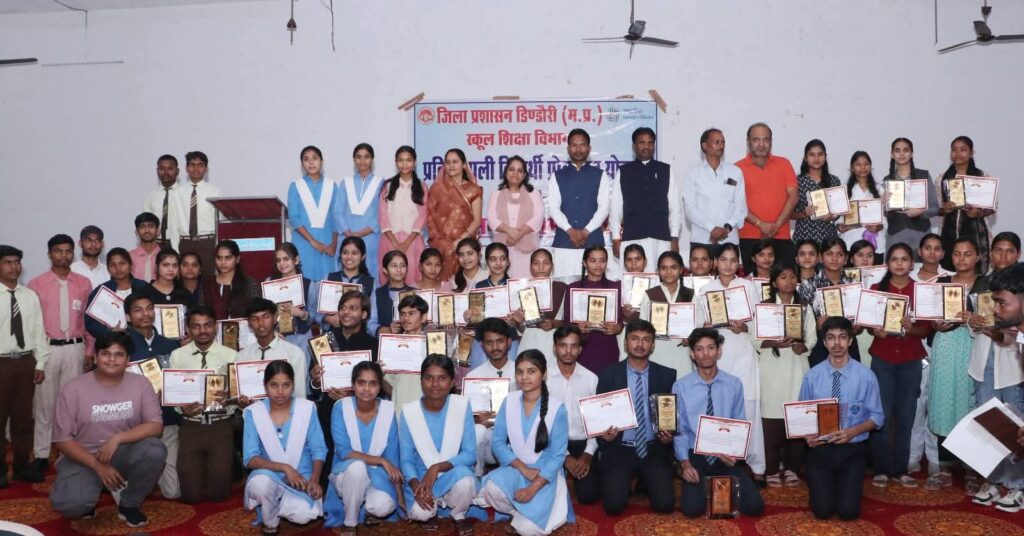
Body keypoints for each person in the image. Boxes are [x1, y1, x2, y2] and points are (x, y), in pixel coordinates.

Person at [50, 331, 165, 527]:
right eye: (105, 354)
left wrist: (117, 439)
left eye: (119, 354)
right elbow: (62, 440)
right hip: (83, 457)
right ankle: (88, 493)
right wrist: (97, 466)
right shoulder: (73, 388)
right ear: (96, 357)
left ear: (128, 360)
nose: (112, 360)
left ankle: (129, 504)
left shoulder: (140, 383)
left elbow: (155, 425)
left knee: (155, 450)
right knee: (71, 506)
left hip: (123, 453)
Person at [475, 350, 571, 536]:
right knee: (491, 489)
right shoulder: (509, 401)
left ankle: (524, 516)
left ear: (544, 374)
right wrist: (523, 468)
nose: (524, 377)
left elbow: (558, 455)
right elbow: (498, 442)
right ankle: (515, 512)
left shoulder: (557, 409)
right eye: (519, 372)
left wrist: (533, 488)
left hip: (544, 475)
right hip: (517, 468)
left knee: (527, 530)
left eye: (531, 371)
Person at [674, 327, 764, 517]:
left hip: (725, 455)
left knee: (755, 507)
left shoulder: (734, 384)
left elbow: (739, 422)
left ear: (719, 351)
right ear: (692, 354)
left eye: (711, 348)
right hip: (696, 454)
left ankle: (718, 485)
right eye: (699, 349)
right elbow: (680, 430)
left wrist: (735, 455)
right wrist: (685, 464)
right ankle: (705, 484)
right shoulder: (681, 386)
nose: (706, 354)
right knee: (692, 509)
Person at [799, 317, 884, 520]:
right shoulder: (812, 376)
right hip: (821, 449)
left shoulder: (866, 376)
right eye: (831, 338)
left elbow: (877, 417)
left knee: (848, 512)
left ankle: (845, 484)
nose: (837, 343)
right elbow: (801, 415)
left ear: (851, 341)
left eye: (842, 337)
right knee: (822, 510)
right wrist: (807, 437)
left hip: (853, 450)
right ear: (824, 342)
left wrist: (853, 432)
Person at [696, 243, 766, 479]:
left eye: (733, 260)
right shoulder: (706, 290)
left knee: (749, 409)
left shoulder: (747, 287)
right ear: (715, 262)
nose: (728, 265)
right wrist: (706, 327)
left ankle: (757, 465)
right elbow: (697, 328)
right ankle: (719, 461)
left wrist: (744, 327)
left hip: (743, 354)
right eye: (723, 260)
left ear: (739, 263)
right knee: (719, 408)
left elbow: (759, 323)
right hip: (717, 358)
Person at [27, 234, 93, 479]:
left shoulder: (83, 283)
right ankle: (42, 455)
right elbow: (32, 324)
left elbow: (88, 320)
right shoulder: (36, 284)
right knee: (44, 405)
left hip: (75, 348)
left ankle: (69, 453)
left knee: (71, 405)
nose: (63, 255)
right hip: (47, 349)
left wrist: (89, 350)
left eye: (67, 251)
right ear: (49, 254)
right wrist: (37, 357)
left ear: (73, 253)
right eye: (58, 251)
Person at [593, 320, 675, 514]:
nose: (640, 344)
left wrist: (669, 437)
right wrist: (604, 436)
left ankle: (644, 481)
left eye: (646, 339)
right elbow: (599, 416)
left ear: (653, 345)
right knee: (613, 507)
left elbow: (669, 416)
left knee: (664, 505)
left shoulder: (667, 375)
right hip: (620, 448)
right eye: (635, 339)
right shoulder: (608, 374)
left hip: (653, 447)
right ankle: (635, 481)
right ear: (625, 343)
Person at [867, 243, 932, 488]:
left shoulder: (920, 291)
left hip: (910, 360)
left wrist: (911, 328)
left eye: (904, 259)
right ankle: (881, 469)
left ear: (911, 263)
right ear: (888, 263)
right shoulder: (877, 290)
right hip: (882, 358)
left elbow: (926, 329)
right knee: (881, 415)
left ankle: (900, 469)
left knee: (906, 416)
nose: (899, 263)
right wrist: (876, 330)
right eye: (894, 259)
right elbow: (869, 325)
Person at [968, 233, 1024, 507]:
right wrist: (973, 322)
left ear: (1018, 254)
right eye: (998, 250)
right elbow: (973, 323)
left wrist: (1000, 332)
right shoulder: (982, 283)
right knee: (989, 425)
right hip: (984, 363)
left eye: (1009, 251)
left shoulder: (1018, 288)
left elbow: (1013, 334)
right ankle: (991, 480)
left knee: (1015, 427)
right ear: (990, 253)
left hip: (1012, 368)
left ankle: (1016, 485)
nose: (1003, 256)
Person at [398, 355, 481, 535]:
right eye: (429, 378)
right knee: (421, 514)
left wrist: (436, 468)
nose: (435, 384)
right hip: (421, 480)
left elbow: (469, 454)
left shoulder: (461, 405)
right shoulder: (409, 412)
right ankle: (435, 508)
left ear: (452, 382)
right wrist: (416, 486)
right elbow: (406, 459)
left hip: (452, 475)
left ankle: (458, 513)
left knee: (466, 483)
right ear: (421, 381)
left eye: (442, 378)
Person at [924, 237, 982, 490]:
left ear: (978, 256)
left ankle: (971, 470)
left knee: (969, 403)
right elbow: (929, 318)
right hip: (946, 346)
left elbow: (995, 318)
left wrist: (974, 318)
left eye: (967, 254)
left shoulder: (986, 284)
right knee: (944, 402)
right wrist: (935, 323)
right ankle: (945, 468)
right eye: (957, 254)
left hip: (974, 346)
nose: (961, 259)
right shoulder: (941, 283)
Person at [243, 360, 327, 534]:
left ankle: (278, 502)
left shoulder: (306, 408)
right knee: (259, 485)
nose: (280, 392)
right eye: (274, 385)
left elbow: (318, 449)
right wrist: (285, 468)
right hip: (269, 475)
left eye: (286, 385)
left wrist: (314, 479)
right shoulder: (254, 412)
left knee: (303, 515)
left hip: (301, 477)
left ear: (293, 385)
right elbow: (250, 459)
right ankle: (270, 520)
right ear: (265, 386)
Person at [169, 304, 238, 503]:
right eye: (196, 326)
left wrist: (228, 398)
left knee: (218, 493)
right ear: (188, 329)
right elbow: (173, 393)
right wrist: (182, 408)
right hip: (191, 424)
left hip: (221, 423)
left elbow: (236, 394)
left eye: (207, 325)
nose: (202, 331)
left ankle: (231, 464)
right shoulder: (177, 356)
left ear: (215, 326)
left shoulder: (231, 355)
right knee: (191, 494)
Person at [753, 263, 815, 487]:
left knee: (796, 419)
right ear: (773, 282)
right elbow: (754, 339)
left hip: (797, 366)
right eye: (783, 277)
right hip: (771, 368)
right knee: (771, 420)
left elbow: (812, 337)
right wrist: (773, 342)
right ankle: (771, 469)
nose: (788, 281)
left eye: (792, 276)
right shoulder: (764, 308)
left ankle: (792, 468)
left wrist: (803, 347)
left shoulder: (804, 307)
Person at [309, 290, 377, 488]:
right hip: (328, 407)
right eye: (343, 308)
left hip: (360, 411)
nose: (346, 312)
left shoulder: (373, 344)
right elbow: (314, 387)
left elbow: (377, 385)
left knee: (358, 458)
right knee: (328, 452)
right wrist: (316, 380)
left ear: (364, 314)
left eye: (353, 308)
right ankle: (324, 492)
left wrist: (353, 394)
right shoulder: (323, 341)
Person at [324, 361, 402, 533]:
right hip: (346, 473)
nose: (366, 389)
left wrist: (400, 496)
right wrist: (381, 460)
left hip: (377, 475)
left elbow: (392, 457)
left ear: (380, 387)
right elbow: (345, 452)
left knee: (384, 506)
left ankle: (366, 509)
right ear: (353, 385)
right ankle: (350, 522)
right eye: (361, 383)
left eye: (373, 384)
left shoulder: (388, 410)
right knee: (357, 468)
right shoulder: (340, 408)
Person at [123, 292, 182, 499]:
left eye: (149, 308)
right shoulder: (121, 345)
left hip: (167, 422)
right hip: (134, 425)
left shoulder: (170, 345)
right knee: (133, 488)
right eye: (138, 310)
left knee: (173, 492)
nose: (145, 314)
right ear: (128, 316)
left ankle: (154, 471)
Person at [0, 244, 50, 488]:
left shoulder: (29, 296)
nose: (14, 267)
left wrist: (40, 362)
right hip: (0, 362)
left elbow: (38, 331)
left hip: (25, 362)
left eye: (17, 262)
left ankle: (21, 467)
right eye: (7, 262)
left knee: (23, 419)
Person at [610, 127, 681, 271]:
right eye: (641, 142)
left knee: (661, 278)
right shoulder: (624, 171)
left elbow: (675, 206)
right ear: (634, 146)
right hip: (632, 237)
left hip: (660, 238)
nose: (646, 146)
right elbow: (615, 207)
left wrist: (674, 237)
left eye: (650, 143)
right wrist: (616, 238)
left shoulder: (665, 170)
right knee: (632, 279)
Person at [545, 325, 600, 505]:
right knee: (548, 493)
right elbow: (542, 423)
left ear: (580, 349)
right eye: (563, 345)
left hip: (582, 443)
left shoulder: (591, 379)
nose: (568, 351)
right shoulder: (543, 378)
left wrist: (587, 454)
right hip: (552, 444)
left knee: (589, 495)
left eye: (574, 346)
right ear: (554, 348)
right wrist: (565, 456)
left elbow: (596, 422)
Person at [547, 128, 612, 280]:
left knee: (593, 288)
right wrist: (570, 231)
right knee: (564, 286)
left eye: (582, 145)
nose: (578, 149)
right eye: (574, 145)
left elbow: (604, 208)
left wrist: (586, 231)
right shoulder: (557, 176)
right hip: (564, 242)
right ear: (568, 149)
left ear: (589, 148)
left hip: (593, 243)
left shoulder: (600, 175)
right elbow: (553, 208)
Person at [735, 122, 798, 275]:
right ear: (748, 142)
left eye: (766, 139)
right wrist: (760, 224)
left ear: (771, 141)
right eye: (756, 140)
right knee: (755, 285)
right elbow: (736, 204)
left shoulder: (784, 163)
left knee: (784, 283)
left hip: (781, 236)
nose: (761, 144)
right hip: (750, 237)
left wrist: (776, 225)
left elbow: (794, 196)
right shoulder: (736, 169)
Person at [466, 317, 520, 475]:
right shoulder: (473, 377)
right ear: (482, 346)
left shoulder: (521, 373)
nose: (495, 347)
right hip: (488, 440)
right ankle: (476, 478)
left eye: (500, 341)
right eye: (489, 342)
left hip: (515, 438)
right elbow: (466, 418)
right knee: (477, 431)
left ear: (509, 342)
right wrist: (477, 420)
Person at [682, 128, 747, 256]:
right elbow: (690, 208)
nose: (721, 145)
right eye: (717, 142)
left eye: (723, 142)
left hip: (729, 240)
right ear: (705, 146)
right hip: (701, 240)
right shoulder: (693, 173)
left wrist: (726, 228)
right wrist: (711, 228)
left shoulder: (735, 172)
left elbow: (741, 207)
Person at [939, 136, 995, 274]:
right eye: (954, 150)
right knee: (949, 271)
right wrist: (945, 209)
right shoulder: (942, 178)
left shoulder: (982, 176)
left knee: (976, 271)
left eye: (963, 149)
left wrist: (980, 213)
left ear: (971, 152)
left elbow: (992, 207)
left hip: (976, 232)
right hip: (948, 232)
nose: (957, 153)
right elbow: (938, 209)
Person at [426, 148, 483, 282]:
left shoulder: (473, 190)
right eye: (448, 162)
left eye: (455, 162)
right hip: (441, 248)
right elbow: (430, 218)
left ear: (464, 165)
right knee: (445, 287)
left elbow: (476, 221)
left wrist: (460, 241)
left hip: (465, 247)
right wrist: (442, 243)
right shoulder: (436, 189)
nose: (451, 165)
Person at [565, 246, 623, 373]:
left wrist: (616, 328)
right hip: (582, 348)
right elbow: (567, 323)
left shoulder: (615, 287)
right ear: (584, 263)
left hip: (607, 347)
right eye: (593, 260)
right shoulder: (573, 288)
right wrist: (577, 327)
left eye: (603, 260)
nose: (598, 265)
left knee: (607, 383)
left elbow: (620, 322)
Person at [637, 251, 694, 378]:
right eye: (664, 268)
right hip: (657, 353)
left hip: (682, 353)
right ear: (658, 271)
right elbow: (643, 327)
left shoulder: (690, 294)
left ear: (681, 270)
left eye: (673, 267)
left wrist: (691, 338)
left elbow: (697, 327)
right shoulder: (650, 294)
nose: (668, 272)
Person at [488, 155, 545, 279]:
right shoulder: (496, 194)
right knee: (504, 283)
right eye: (511, 169)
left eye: (519, 171)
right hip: (503, 250)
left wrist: (519, 234)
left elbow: (538, 217)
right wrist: (510, 231)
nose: (515, 173)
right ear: (506, 172)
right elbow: (492, 219)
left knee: (526, 284)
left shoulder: (533, 194)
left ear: (524, 175)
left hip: (527, 250)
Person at [238, 298, 308, 399]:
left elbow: (299, 395)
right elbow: (239, 395)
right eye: (254, 319)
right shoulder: (242, 356)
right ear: (249, 324)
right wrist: (243, 403)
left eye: (265, 317)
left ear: (275, 318)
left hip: (287, 409)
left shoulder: (294, 353)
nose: (261, 323)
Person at [288, 145, 339, 282]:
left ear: (321, 161)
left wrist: (334, 243)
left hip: (328, 245)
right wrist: (313, 242)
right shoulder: (295, 186)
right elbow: (294, 217)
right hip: (304, 243)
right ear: (302, 164)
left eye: (315, 158)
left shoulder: (332, 186)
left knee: (328, 284)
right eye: (306, 159)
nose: (311, 163)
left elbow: (336, 217)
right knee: (304, 283)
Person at [335, 143, 385, 279]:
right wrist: (349, 234)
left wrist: (360, 233)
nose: (362, 161)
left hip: (370, 238)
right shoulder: (346, 182)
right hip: (346, 237)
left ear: (372, 159)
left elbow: (382, 213)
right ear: (354, 159)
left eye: (366, 157)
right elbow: (337, 211)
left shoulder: (381, 183)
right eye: (359, 157)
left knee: (370, 273)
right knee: (345, 274)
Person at [379, 145, 429, 284]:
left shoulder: (422, 186)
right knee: (390, 277)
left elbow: (423, 216)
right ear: (396, 162)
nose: (404, 164)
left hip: (413, 240)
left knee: (413, 277)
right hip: (390, 239)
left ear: (415, 162)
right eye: (400, 160)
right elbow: (383, 214)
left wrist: (407, 242)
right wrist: (395, 242)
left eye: (408, 160)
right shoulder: (388, 186)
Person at [884, 138, 939, 258]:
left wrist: (921, 212)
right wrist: (884, 205)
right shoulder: (888, 180)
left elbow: (935, 208)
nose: (901, 154)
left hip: (920, 234)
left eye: (906, 150)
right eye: (897, 150)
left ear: (912, 153)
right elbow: (888, 215)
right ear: (892, 155)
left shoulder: (923, 175)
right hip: (896, 235)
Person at [514, 249, 568, 366]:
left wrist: (554, 323)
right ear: (530, 267)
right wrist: (518, 322)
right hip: (529, 341)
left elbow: (569, 322)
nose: (541, 267)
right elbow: (523, 329)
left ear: (552, 266)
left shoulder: (562, 288)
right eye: (536, 263)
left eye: (546, 263)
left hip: (553, 341)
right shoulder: (523, 289)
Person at [84, 248, 149, 341]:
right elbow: (90, 322)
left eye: (122, 263)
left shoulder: (144, 287)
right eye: (113, 265)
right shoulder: (101, 292)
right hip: (112, 343)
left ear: (131, 265)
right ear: (108, 268)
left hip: (143, 340)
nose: (118, 268)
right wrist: (109, 332)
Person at [175, 151, 220, 277]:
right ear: (186, 168)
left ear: (206, 168)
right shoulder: (178, 192)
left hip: (207, 243)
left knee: (208, 280)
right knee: (184, 280)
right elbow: (174, 222)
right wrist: (175, 248)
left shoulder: (214, 192)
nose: (196, 169)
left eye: (200, 165)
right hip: (185, 243)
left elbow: (220, 221)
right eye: (192, 165)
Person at [384, 294, 432, 412]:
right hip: (400, 411)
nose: (405, 318)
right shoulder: (391, 345)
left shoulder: (433, 345)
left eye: (411, 313)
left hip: (428, 411)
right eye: (402, 314)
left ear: (423, 317)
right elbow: (389, 386)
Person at [266, 242, 314, 355]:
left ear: (296, 260)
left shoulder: (309, 284)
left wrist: (301, 314)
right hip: (278, 338)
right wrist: (272, 332)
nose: (282, 263)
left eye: (286, 259)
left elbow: (316, 316)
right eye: (278, 260)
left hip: (302, 339)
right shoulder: (269, 283)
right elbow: (265, 313)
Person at [321, 236, 377, 332]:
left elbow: (373, 317)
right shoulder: (329, 278)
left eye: (354, 253)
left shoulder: (371, 282)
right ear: (340, 255)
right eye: (345, 252)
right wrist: (328, 319)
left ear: (363, 256)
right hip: (331, 335)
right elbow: (316, 313)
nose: (349, 257)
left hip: (359, 336)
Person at [792, 139, 842, 244]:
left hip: (829, 237)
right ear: (805, 158)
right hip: (805, 237)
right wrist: (804, 213)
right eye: (812, 155)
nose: (816, 158)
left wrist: (833, 216)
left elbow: (839, 209)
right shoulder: (797, 182)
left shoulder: (834, 180)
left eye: (820, 154)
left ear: (825, 157)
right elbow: (788, 214)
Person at [838, 151, 886, 253]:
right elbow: (838, 217)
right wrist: (839, 226)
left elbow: (885, 217)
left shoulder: (879, 189)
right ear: (852, 168)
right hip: (850, 242)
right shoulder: (844, 190)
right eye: (858, 164)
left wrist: (879, 227)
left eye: (866, 164)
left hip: (875, 243)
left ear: (870, 167)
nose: (863, 167)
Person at [202, 239, 259, 320]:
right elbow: (200, 313)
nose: (223, 262)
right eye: (219, 258)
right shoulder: (207, 284)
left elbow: (257, 313)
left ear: (237, 259)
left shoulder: (249, 284)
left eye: (228, 258)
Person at [371, 250, 414, 337]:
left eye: (402, 265)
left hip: (412, 342)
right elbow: (370, 325)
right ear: (385, 270)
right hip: (385, 343)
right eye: (394, 266)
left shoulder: (416, 293)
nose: (399, 270)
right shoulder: (378, 293)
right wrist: (388, 330)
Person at [143, 154, 182, 248]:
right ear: (157, 171)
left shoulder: (184, 195)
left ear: (177, 171)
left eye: (170, 169)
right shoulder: (151, 196)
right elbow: (146, 223)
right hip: (156, 244)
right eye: (162, 169)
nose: (165, 172)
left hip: (180, 243)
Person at [129, 212, 161, 282]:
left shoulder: (165, 257)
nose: (147, 230)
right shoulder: (128, 257)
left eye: (151, 226)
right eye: (142, 227)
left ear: (158, 231)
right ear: (137, 232)